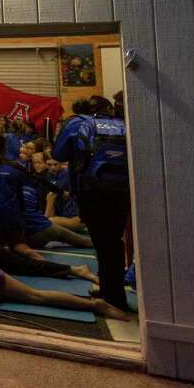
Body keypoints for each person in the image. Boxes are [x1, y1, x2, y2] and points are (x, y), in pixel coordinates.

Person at [55, 94, 131, 311]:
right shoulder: (124, 125)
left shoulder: (80, 123)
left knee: (101, 242)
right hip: (121, 190)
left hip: (91, 191)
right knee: (114, 241)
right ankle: (110, 289)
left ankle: (113, 298)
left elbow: (58, 154)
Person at [21, 151, 93, 249]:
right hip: (64, 215)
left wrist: (45, 218)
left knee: (47, 220)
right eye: (49, 165)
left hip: (76, 218)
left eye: (55, 164)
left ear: (62, 164)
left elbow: (52, 196)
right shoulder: (49, 176)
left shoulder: (65, 174)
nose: (52, 168)